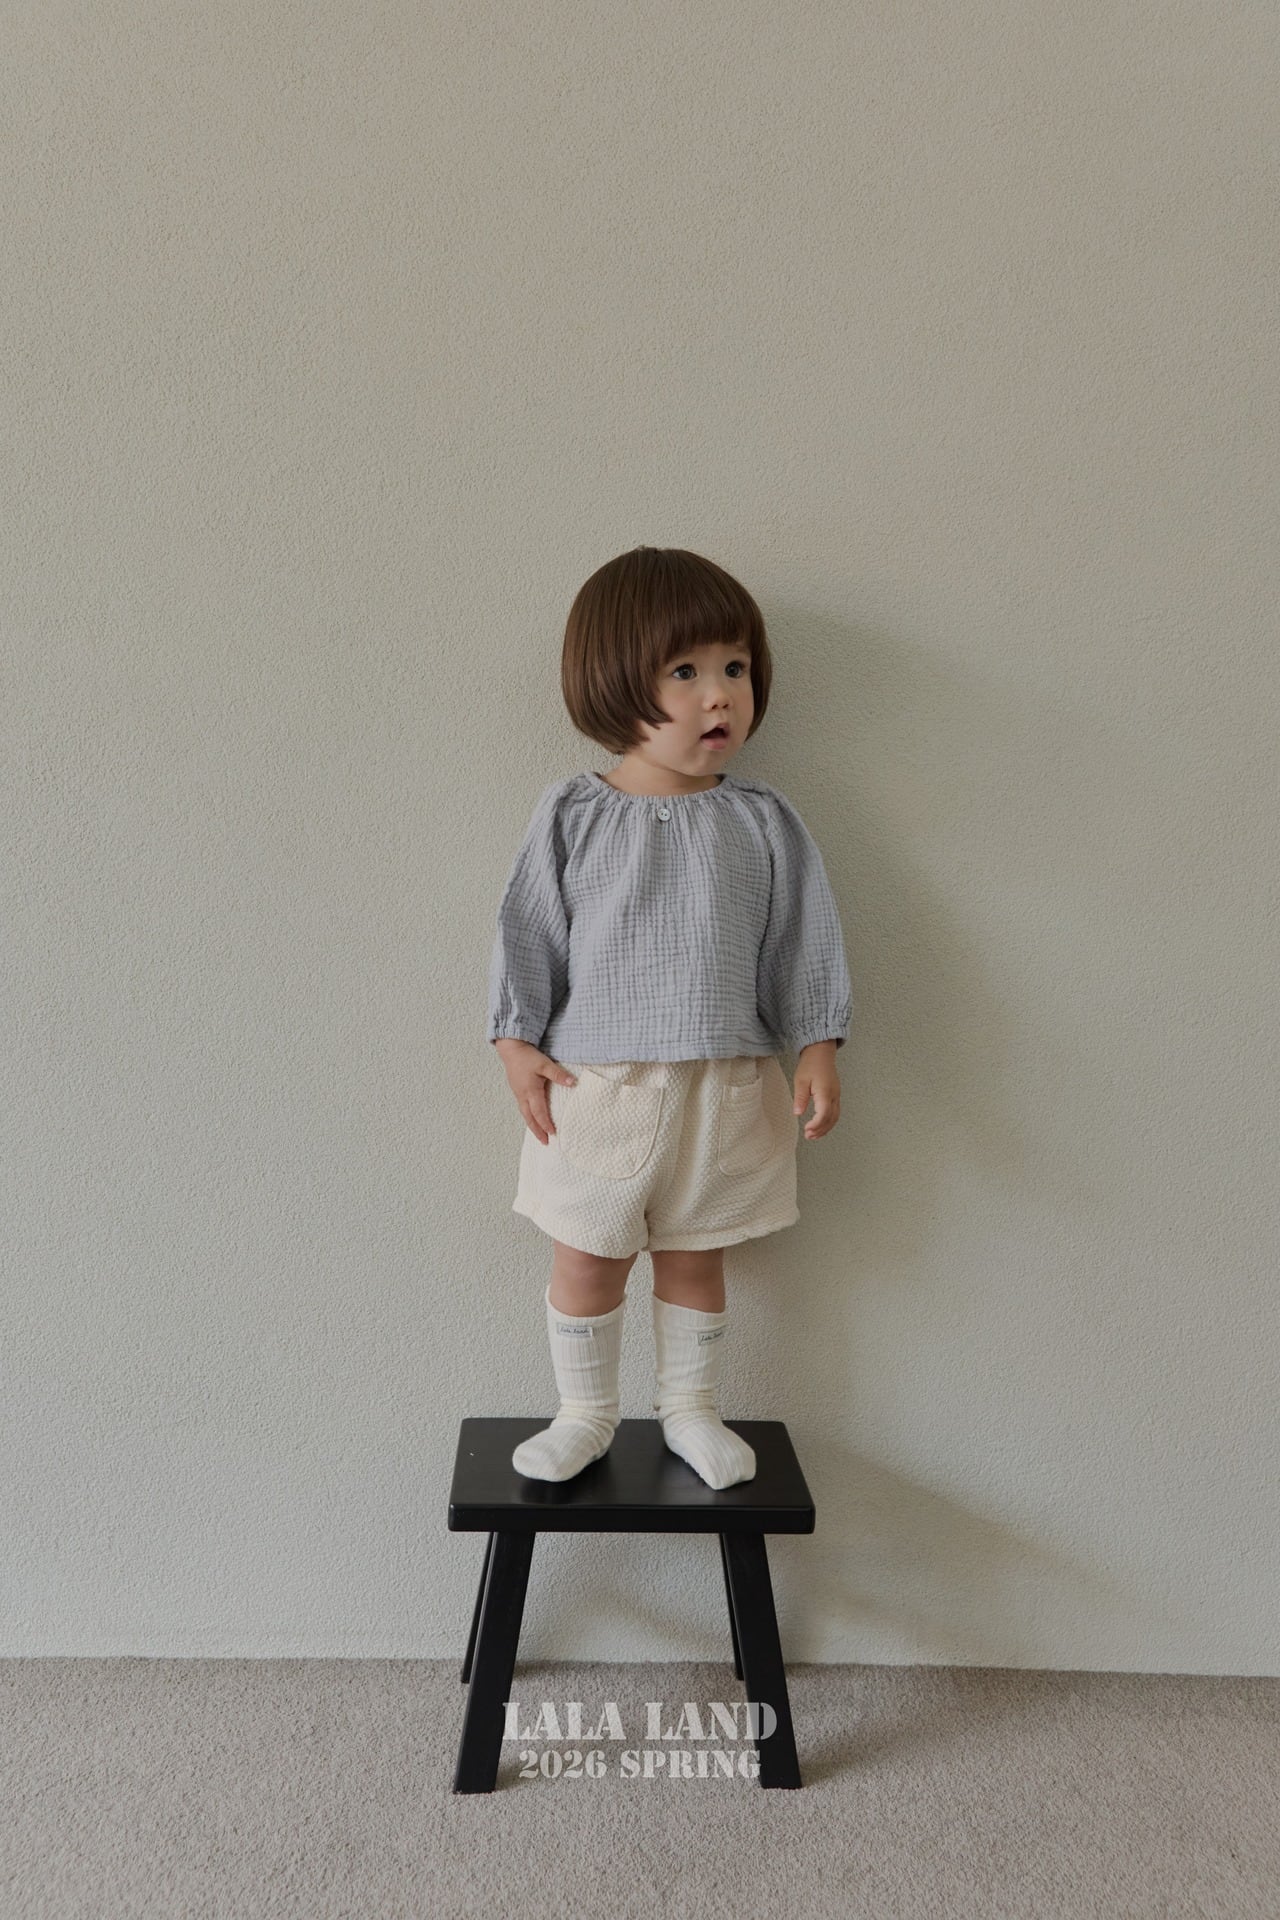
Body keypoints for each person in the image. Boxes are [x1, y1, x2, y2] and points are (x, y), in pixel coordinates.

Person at [487, 546, 853, 1490]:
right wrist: (515, 1039)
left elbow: (803, 938)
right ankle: (585, 1413)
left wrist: (817, 1042)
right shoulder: (572, 814)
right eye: (684, 672)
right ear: (616, 682)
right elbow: (528, 927)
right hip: (598, 1088)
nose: (718, 695)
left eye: (735, 668)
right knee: (588, 1256)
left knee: (695, 1258)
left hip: (724, 1086)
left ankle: (690, 1409)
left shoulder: (763, 820)